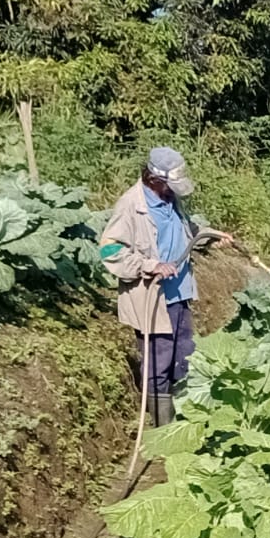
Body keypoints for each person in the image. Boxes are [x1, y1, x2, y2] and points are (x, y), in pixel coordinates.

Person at [97, 147, 233, 426]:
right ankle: (164, 428)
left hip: (180, 293)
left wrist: (210, 237)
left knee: (183, 358)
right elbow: (109, 251)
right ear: (153, 178)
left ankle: (187, 421)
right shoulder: (131, 207)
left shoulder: (170, 200)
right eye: (169, 186)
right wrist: (150, 265)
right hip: (153, 299)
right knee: (158, 363)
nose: (173, 191)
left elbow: (185, 232)